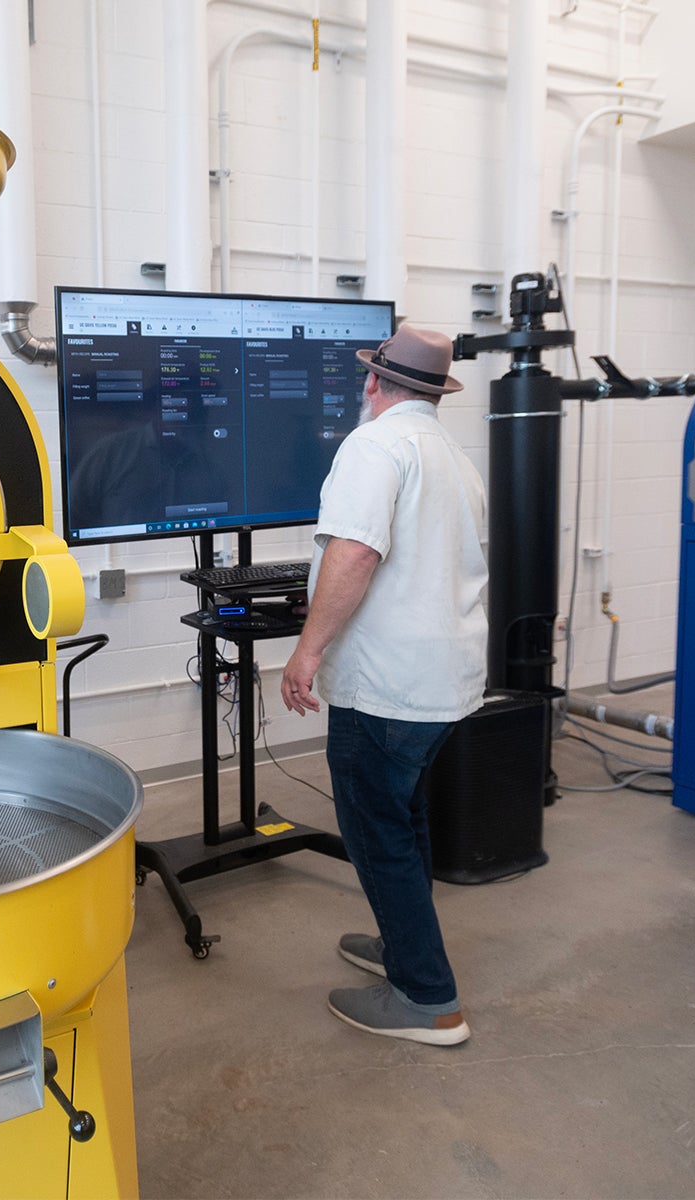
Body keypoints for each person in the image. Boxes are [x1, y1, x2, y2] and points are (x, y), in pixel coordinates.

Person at [280, 323, 487, 1047]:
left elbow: (355, 552)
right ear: (435, 391)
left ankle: (428, 999)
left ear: (373, 382)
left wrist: (307, 652)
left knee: (378, 834)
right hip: (444, 681)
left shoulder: (373, 446)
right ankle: (406, 950)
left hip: (387, 685)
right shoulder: (452, 456)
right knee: (405, 819)